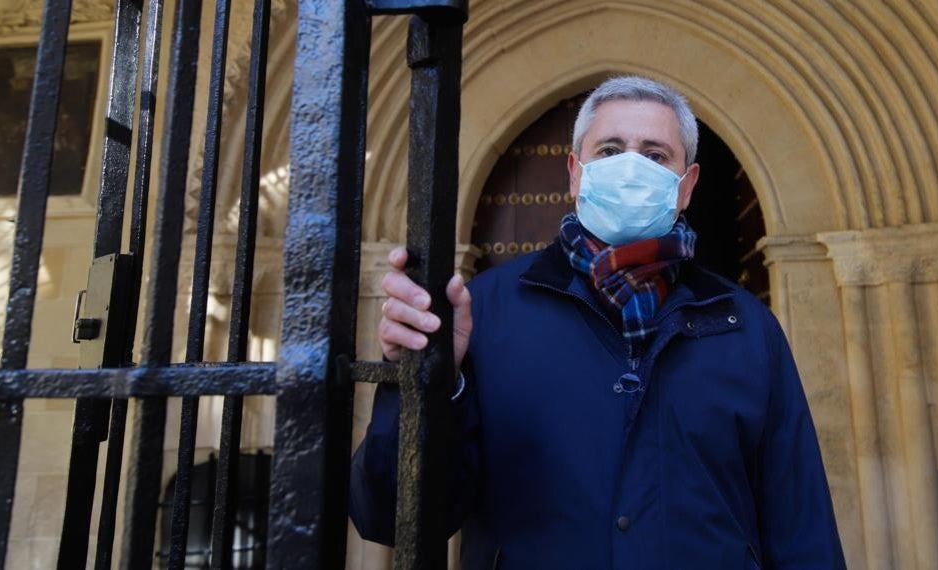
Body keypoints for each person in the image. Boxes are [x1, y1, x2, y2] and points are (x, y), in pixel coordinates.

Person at [350, 76, 846, 569]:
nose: (630, 168)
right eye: (609, 150)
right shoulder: (482, 312)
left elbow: (801, 528)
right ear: (575, 173)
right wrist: (426, 381)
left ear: (687, 185)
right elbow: (392, 517)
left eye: (655, 156)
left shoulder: (746, 326)